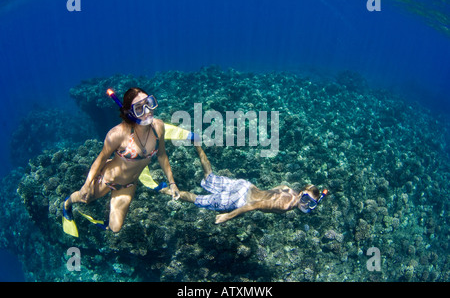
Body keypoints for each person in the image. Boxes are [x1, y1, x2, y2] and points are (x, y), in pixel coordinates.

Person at [63, 88, 180, 235]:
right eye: (139, 108)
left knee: (115, 228)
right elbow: (100, 160)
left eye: (149, 103)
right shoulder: (117, 134)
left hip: (129, 184)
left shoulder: (159, 127)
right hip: (107, 178)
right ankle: (66, 203)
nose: (147, 110)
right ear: (130, 113)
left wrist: (172, 183)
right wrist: (86, 185)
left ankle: (105, 223)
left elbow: (162, 155)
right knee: (84, 198)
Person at [162, 146, 327, 224]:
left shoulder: (288, 189)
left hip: (246, 186)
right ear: (300, 194)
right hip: (240, 199)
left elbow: (278, 187)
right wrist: (228, 216)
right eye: (305, 199)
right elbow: (254, 205)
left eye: (311, 203)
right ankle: (165, 190)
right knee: (198, 200)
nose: (305, 204)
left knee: (209, 176)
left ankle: (197, 144)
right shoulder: (285, 205)